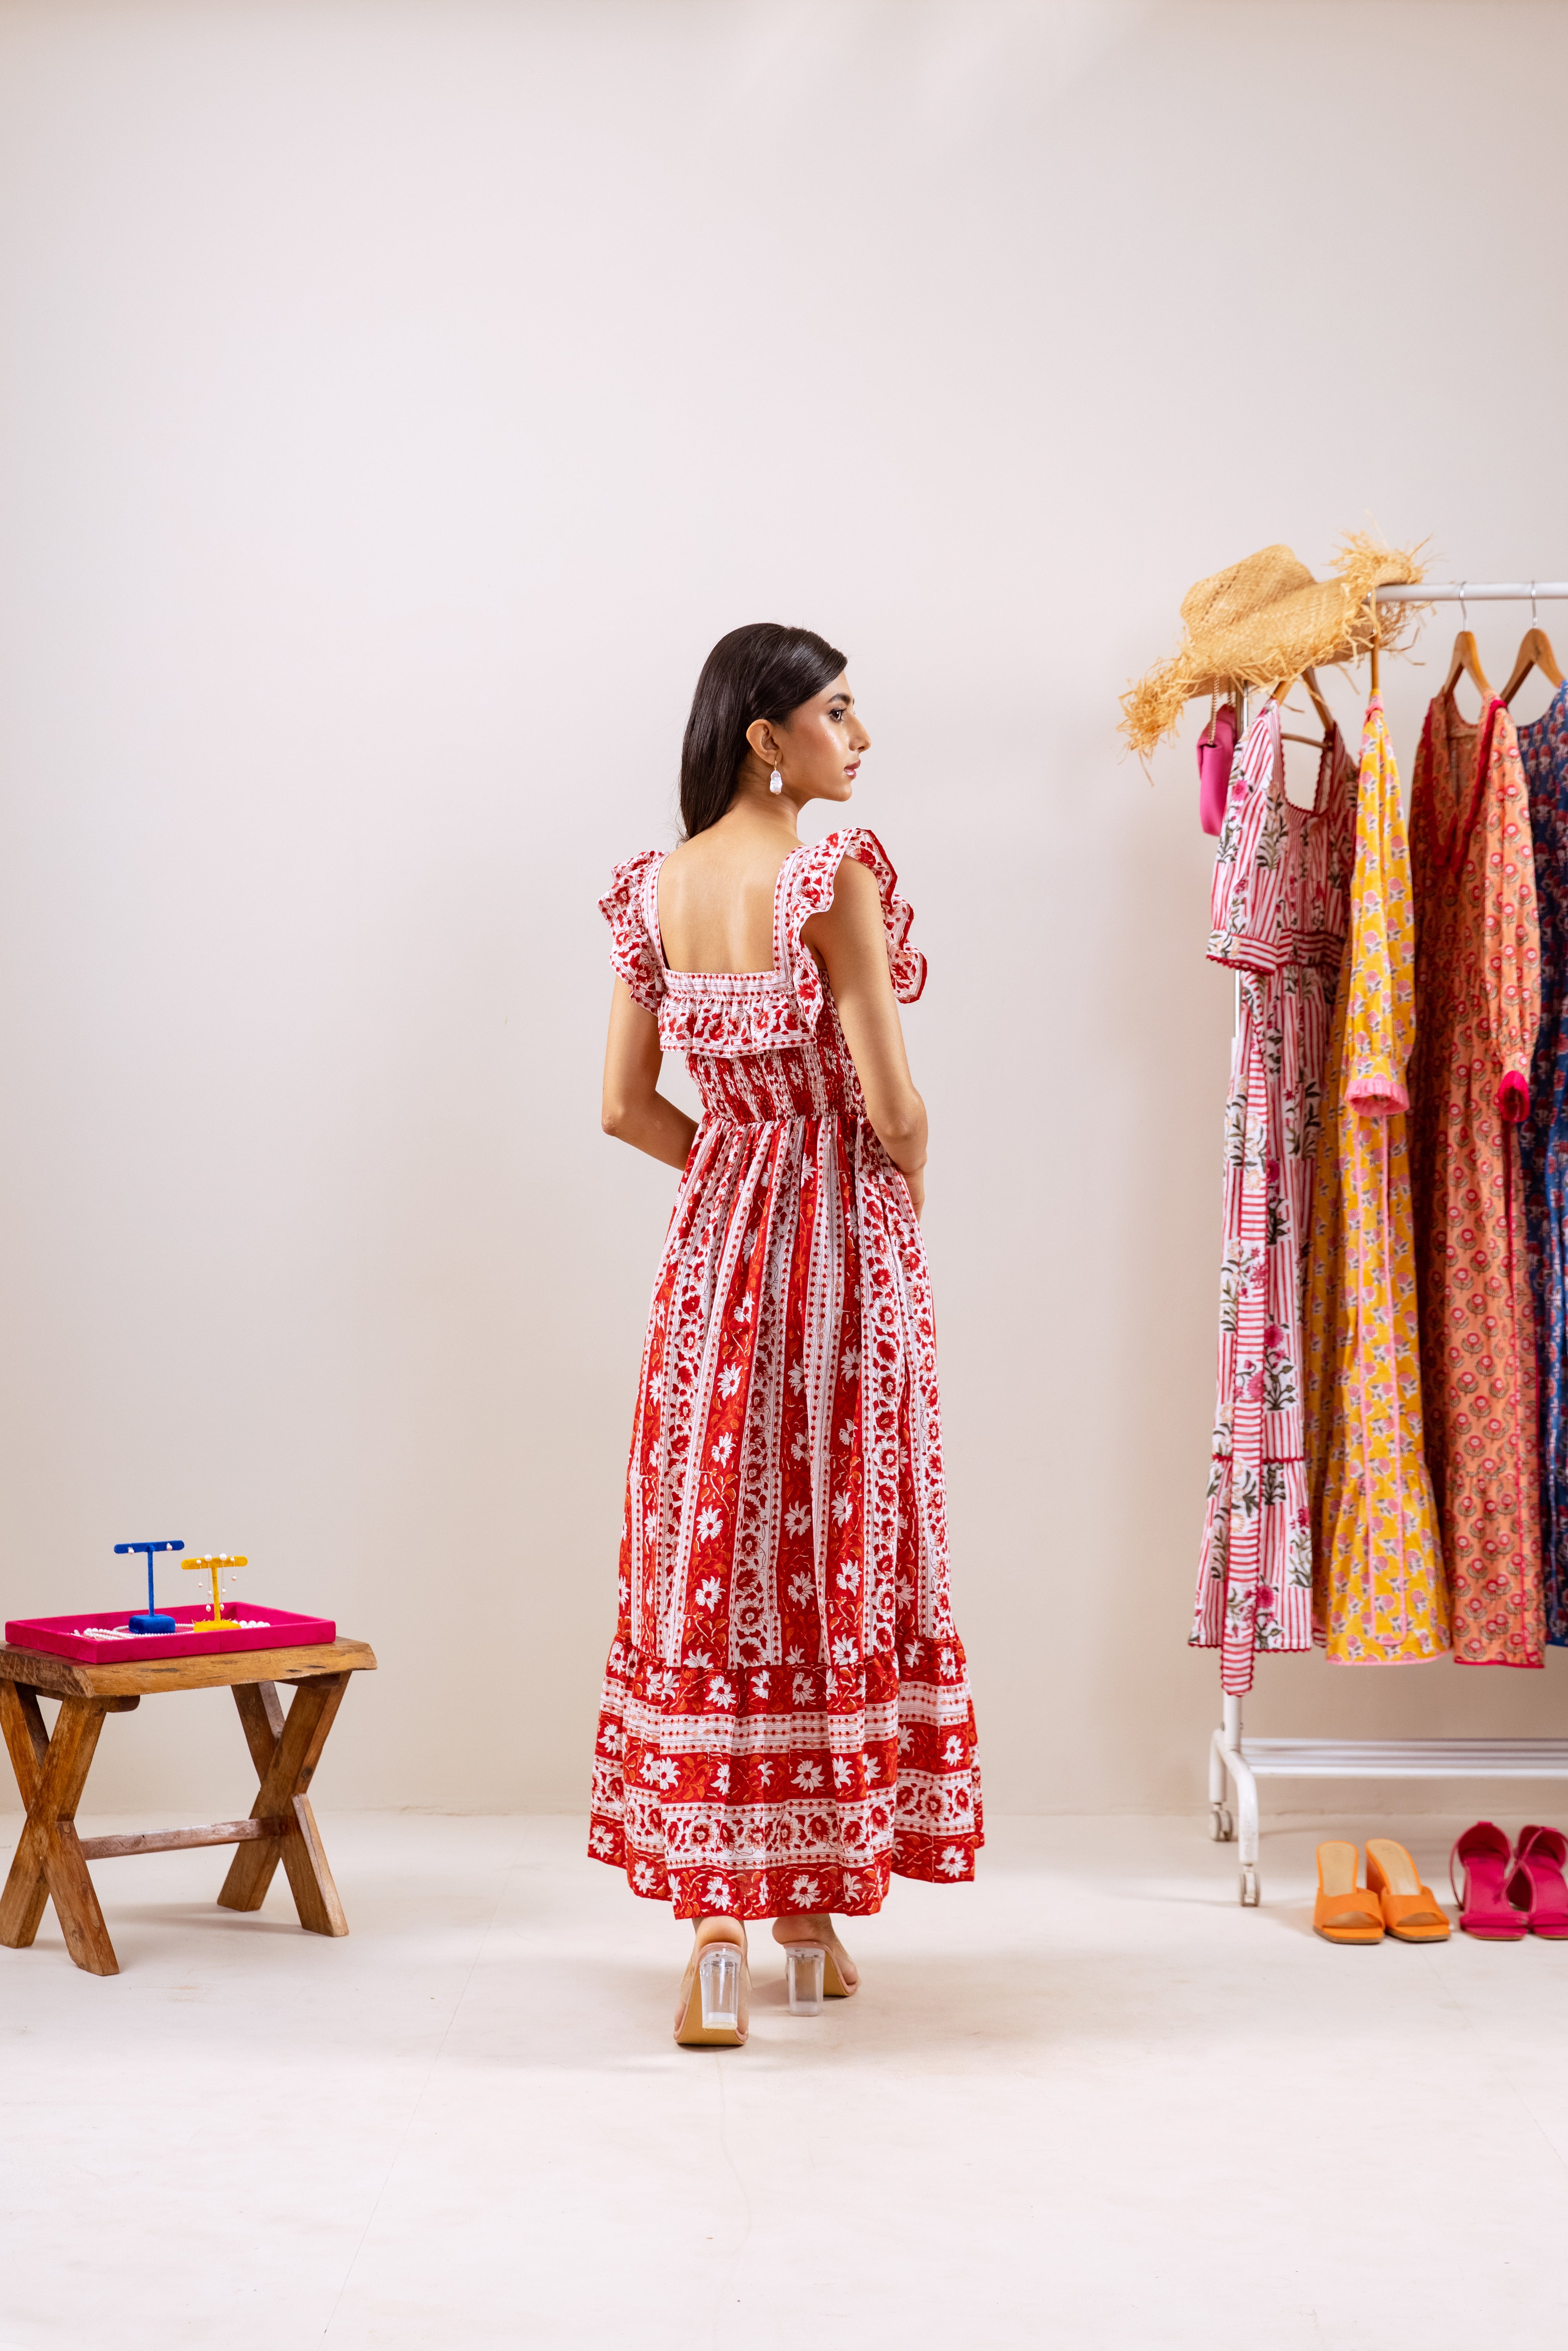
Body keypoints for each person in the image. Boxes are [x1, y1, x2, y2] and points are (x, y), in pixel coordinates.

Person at [592, 622, 981, 2047]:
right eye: (836, 710)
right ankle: (809, 1917)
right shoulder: (832, 876)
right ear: (768, 736)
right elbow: (890, 1102)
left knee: (717, 1548)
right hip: (837, 1255)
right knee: (828, 1545)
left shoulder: (653, 892)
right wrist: (900, 1167)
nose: (858, 738)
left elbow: (627, 1108)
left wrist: (735, 1163)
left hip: (713, 1261)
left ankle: (720, 1921)